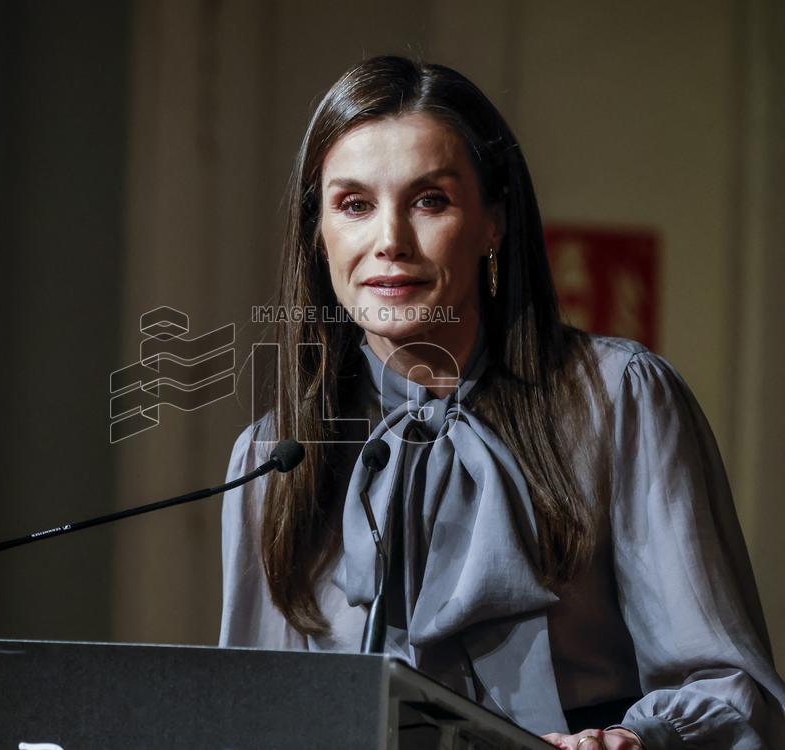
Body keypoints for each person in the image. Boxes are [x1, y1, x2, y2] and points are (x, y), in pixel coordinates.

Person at [218, 56, 785, 749]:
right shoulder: (272, 457)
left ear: (494, 222)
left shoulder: (618, 398)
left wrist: (634, 742)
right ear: (318, 232)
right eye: (355, 204)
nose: (388, 242)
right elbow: (250, 719)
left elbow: (731, 688)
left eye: (431, 200)